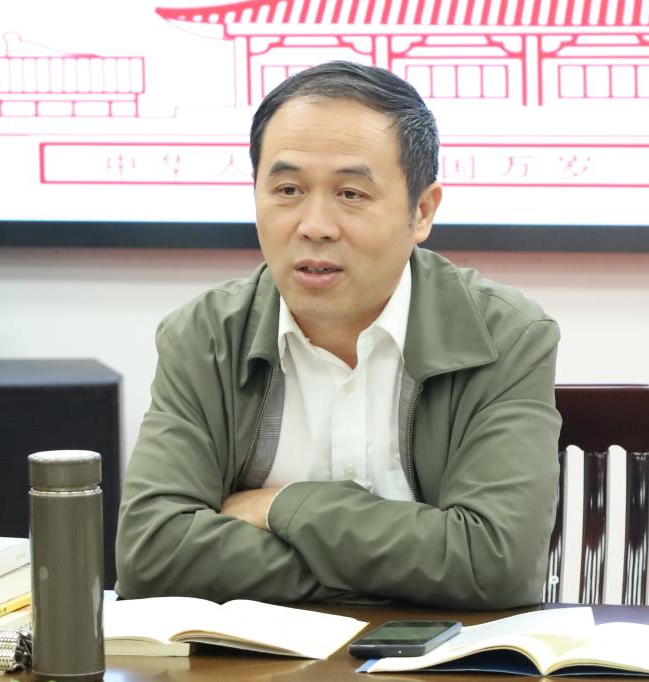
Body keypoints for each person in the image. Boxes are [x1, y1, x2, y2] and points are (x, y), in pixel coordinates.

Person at [115, 61, 560, 609]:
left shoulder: (505, 336)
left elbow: (495, 563)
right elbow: (152, 555)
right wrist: (408, 570)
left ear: (422, 211)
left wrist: (284, 507)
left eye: (351, 194)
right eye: (287, 190)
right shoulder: (204, 336)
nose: (315, 226)